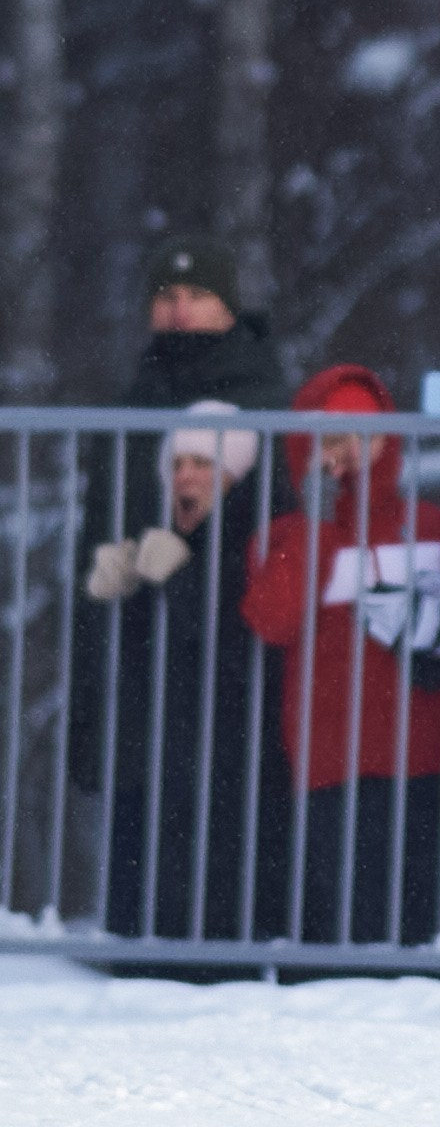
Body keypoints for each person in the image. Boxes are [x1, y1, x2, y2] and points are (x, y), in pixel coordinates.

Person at [70, 238, 298, 936]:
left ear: (228, 307)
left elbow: (275, 524)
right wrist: (103, 572)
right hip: (139, 637)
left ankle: (221, 948)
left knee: (226, 793)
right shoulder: (133, 399)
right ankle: (142, 943)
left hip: (228, 645)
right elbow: (105, 509)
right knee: (140, 793)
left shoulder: (262, 400)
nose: (178, 312)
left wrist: (200, 576)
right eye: (166, 298)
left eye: (196, 296)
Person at [241, 368, 440, 946]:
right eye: (332, 439)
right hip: (337, 760)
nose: (350, 454)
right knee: (344, 927)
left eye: (364, 435)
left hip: (436, 753)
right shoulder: (287, 536)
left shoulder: (430, 524)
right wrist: (313, 524)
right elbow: (272, 618)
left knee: (431, 924)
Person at [72, 401, 268, 941]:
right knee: (142, 878)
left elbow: (232, 642)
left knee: (202, 886)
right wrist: (112, 594)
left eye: (202, 463)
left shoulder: (256, 540)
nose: (185, 475)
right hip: (155, 751)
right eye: (177, 463)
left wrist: (181, 578)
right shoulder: (163, 537)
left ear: (235, 476)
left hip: (223, 757)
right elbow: (128, 654)